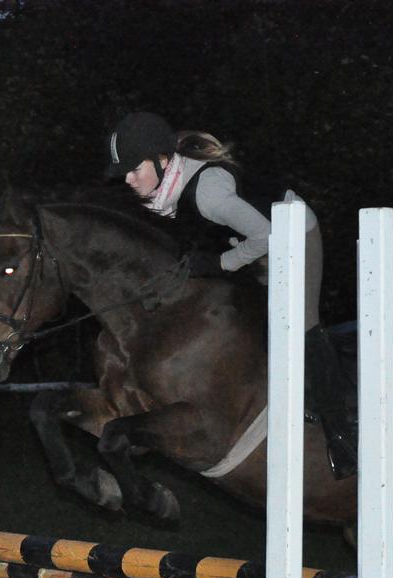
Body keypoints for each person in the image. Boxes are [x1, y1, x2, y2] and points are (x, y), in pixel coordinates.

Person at [105, 111, 357, 478]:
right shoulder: (173, 186)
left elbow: (269, 235)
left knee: (302, 323)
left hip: (293, 232)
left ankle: (341, 435)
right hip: (259, 238)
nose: (128, 180)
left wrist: (222, 262)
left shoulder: (207, 194)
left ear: (161, 161)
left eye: (133, 169)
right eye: (124, 173)